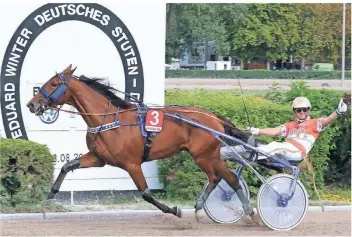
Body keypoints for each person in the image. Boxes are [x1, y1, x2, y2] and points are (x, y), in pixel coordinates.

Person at [221, 96, 348, 163]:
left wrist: (338, 112)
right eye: (299, 110)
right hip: (286, 148)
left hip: (298, 151)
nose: (302, 112)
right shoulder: (290, 124)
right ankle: (221, 153)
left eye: (305, 109)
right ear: (294, 111)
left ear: (309, 110)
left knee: (275, 145)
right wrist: (257, 130)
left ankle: (254, 154)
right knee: (250, 146)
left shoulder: (315, 123)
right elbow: (274, 131)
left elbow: (329, 119)